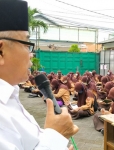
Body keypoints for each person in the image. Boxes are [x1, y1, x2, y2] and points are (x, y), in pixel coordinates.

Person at [0, 0, 78, 150]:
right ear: (1, 52)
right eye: (27, 44)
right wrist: (56, 134)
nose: (31, 55)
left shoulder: (11, 96)